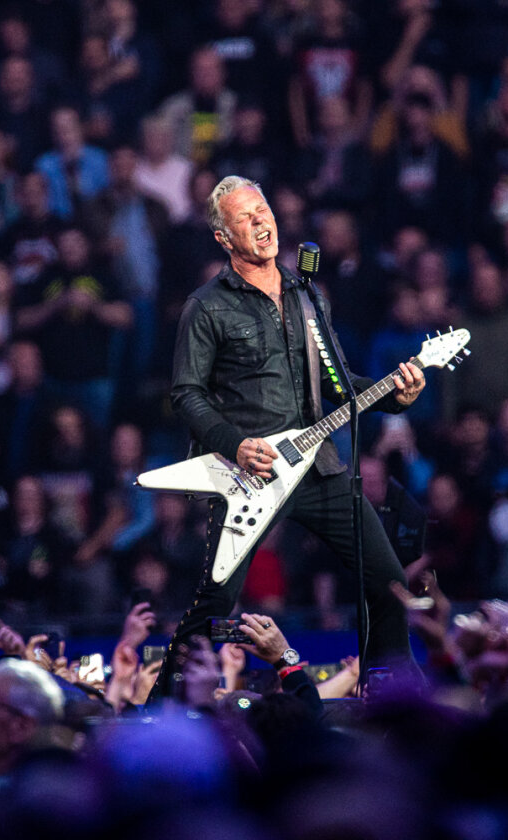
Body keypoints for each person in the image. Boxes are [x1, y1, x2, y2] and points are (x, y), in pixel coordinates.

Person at [154, 175, 426, 696]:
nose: (261, 222)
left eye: (263, 210)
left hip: (317, 467)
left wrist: (398, 393)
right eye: (245, 218)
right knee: (212, 604)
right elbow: (186, 394)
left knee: (389, 584)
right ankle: (157, 709)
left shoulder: (306, 294)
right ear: (222, 238)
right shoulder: (207, 306)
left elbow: (340, 383)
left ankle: (389, 692)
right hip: (247, 474)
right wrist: (234, 443)